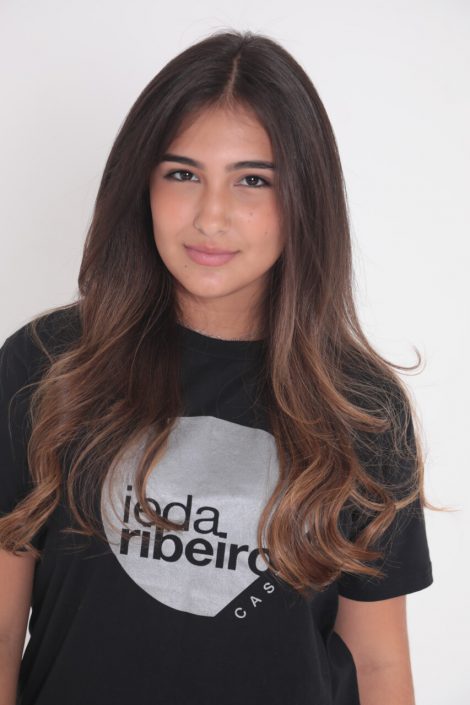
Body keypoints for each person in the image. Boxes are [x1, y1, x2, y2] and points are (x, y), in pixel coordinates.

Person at [0, 30, 434, 705]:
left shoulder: (362, 408)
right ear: (142, 185)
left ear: (304, 198)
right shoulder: (49, 365)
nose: (212, 216)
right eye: (182, 174)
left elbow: (376, 662)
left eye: (252, 180)